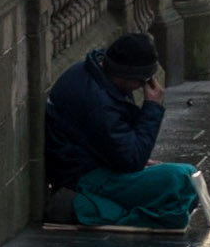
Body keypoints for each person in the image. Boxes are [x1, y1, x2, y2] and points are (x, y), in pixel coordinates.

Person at [44, 33, 199, 229]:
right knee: (184, 181)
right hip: (85, 179)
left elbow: (118, 146)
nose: (142, 87)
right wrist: (152, 107)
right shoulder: (98, 103)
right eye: (142, 81)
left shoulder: (93, 74)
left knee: (186, 187)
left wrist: (134, 158)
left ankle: (98, 207)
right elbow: (132, 161)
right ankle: (83, 206)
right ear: (126, 76)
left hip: (92, 165)